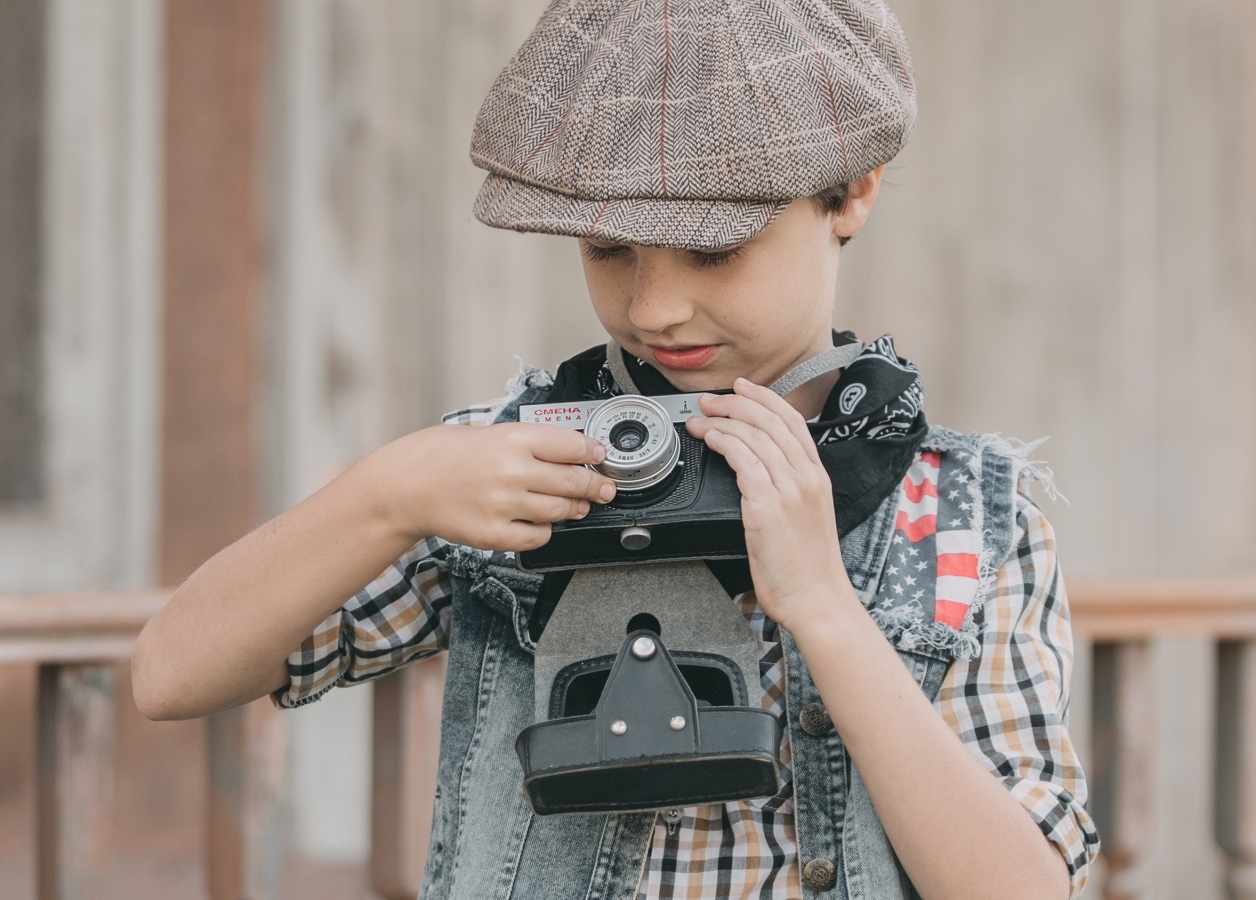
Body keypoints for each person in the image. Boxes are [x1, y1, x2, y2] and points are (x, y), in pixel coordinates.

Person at [132, 1, 1099, 897]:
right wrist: (391, 492)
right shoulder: (512, 470)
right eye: (607, 250)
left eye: (713, 250)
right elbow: (172, 675)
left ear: (852, 192)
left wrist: (825, 610)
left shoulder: (966, 516)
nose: (653, 308)